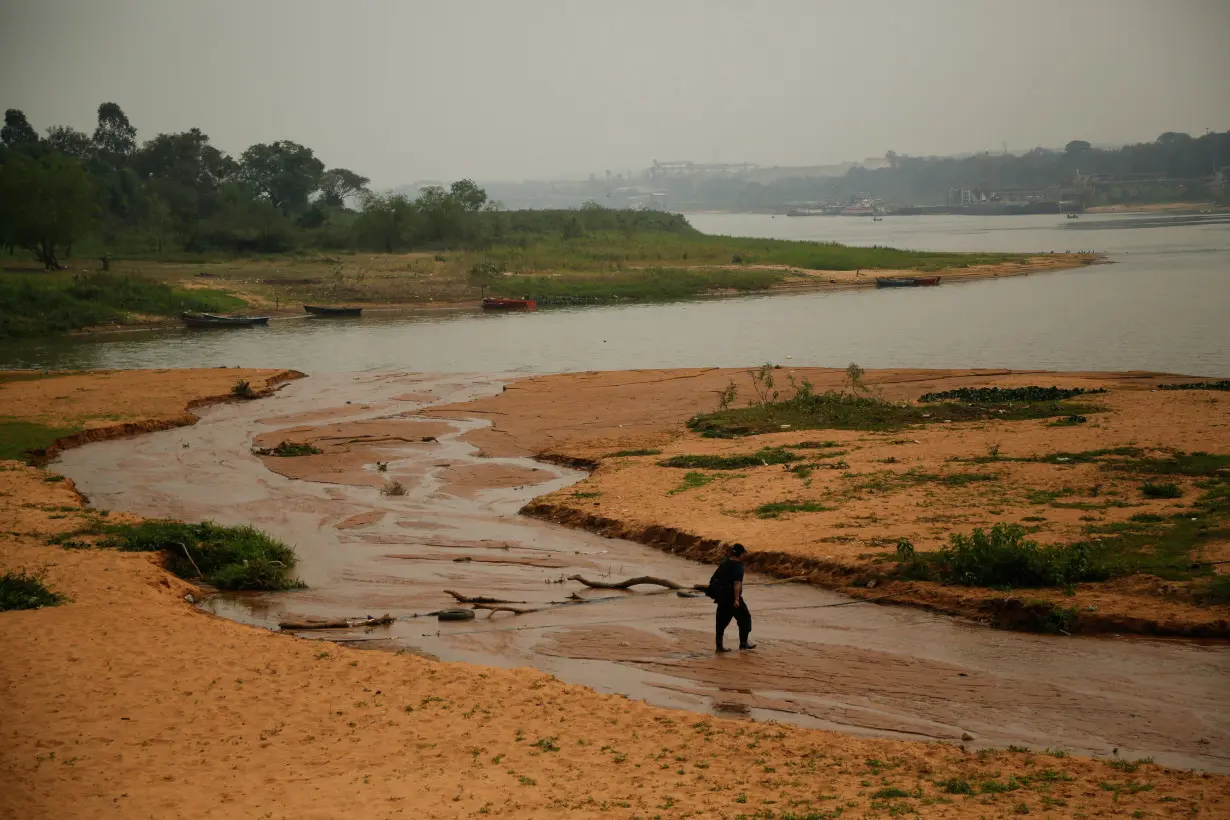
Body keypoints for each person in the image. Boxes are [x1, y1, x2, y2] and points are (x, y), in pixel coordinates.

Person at [708, 543, 755, 652]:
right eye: (744, 553)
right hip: (732, 597)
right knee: (745, 618)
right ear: (741, 554)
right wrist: (737, 600)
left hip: (721, 597)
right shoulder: (738, 566)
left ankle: (719, 646)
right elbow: (737, 584)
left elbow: (715, 578)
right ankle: (743, 644)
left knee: (720, 622)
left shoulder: (724, 562)